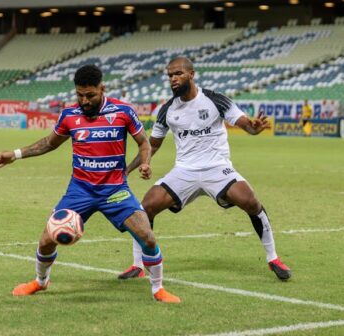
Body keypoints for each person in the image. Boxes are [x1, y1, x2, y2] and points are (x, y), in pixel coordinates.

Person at [0, 65, 181, 303]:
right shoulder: (69, 115)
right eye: (79, 95)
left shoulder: (123, 111)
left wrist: (145, 163)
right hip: (80, 190)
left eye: (90, 95)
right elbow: (49, 143)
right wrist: (16, 154)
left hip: (115, 190)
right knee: (46, 240)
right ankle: (40, 282)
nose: (84, 100)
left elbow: (144, 143)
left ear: (102, 89)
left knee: (148, 237)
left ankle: (157, 289)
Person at [119, 56, 292, 281]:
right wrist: (138, 165)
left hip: (217, 167)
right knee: (145, 207)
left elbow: (245, 124)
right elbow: (152, 144)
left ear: (191, 74)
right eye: (170, 75)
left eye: (178, 73)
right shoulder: (167, 110)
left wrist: (253, 127)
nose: (173, 78)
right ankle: (138, 265)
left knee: (251, 202)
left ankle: (273, 258)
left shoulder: (215, 100)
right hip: (184, 170)